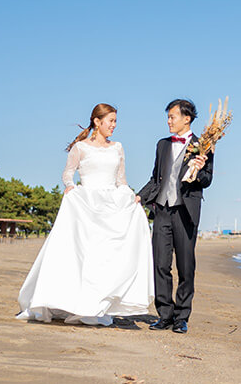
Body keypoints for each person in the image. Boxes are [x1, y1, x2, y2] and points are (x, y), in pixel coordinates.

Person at [17, 103, 154, 325]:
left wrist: (130, 198)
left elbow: (121, 180)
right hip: (87, 204)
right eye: (110, 121)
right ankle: (75, 301)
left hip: (111, 204)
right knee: (84, 255)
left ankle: (97, 303)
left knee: (105, 257)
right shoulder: (80, 148)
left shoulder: (118, 147)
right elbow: (68, 173)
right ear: (97, 122)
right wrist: (70, 187)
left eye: (116, 121)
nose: (114, 125)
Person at [136, 98, 213, 334]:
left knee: (186, 266)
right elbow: (155, 178)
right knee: (160, 264)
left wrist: (198, 172)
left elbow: (208, 179)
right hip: (162, 210)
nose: (168, 121)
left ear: (186, 118)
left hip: (185, 212)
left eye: (172, 116)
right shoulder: (161, 145)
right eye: (168, 117)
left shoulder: (205, 145)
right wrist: (138, 197)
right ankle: (164, 315)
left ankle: (181, 317)